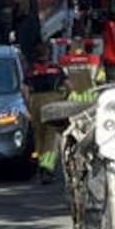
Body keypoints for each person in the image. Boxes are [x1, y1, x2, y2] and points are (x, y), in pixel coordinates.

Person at [27, 42, 67, 183]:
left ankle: (41, 164)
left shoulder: (31, 70)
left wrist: (28, 107)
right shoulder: (56, 69)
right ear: (48, 54)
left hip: (35, 102)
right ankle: (47, 167)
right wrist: (65, 99)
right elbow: (68, 85)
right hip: (53, 101)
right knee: (51, 136)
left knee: (38, 136)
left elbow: (24, 90)